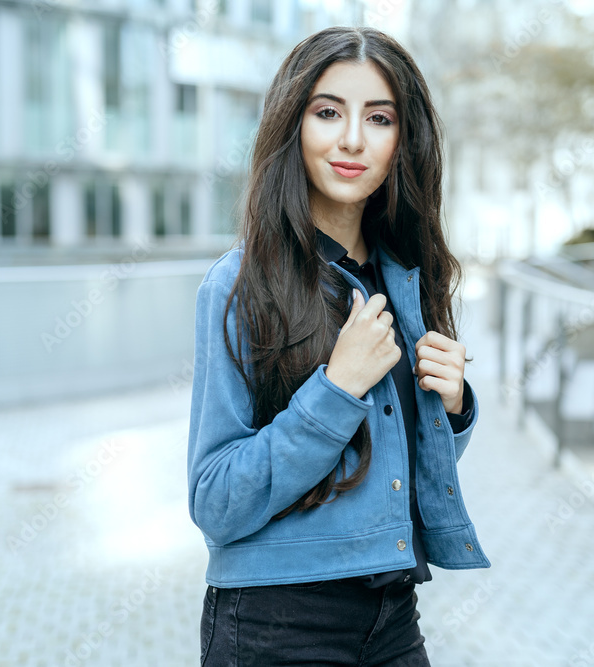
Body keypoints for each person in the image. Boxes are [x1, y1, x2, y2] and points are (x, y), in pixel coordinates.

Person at [187, 25, 491, 666]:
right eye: (328, 112)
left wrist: (454, 408)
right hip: (275, 622)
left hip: (392, 615)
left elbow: (390, 469)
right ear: (292, 126)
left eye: (378, 118)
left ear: (403, 142)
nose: (352, 138)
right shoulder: (238, 286)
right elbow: (214, 500)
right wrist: (335, 392)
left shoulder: (408, 274)